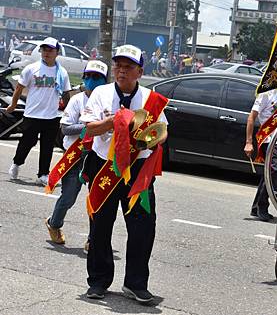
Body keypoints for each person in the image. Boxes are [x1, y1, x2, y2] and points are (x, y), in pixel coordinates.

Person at [80, 44, 168, 303]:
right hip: (104, 167)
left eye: (128, 67)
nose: (121, 71)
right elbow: (90, 129)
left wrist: (147, 139)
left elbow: (162, 132)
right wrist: (116, 121)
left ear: (140, 71)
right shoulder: (101, 93)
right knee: (100, 226)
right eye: (118, 66)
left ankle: (136, 284)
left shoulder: (151, 100)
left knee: (143, 228)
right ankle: (98, 281)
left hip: (138, 170)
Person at [44, 60, 108, 246]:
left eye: (96, 77)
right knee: (69, 197)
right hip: (76, 155)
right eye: (88, 76)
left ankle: (93, 239)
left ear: (104, 80)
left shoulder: (109, 100)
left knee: (98, 198)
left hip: (99, 156)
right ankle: (54, 223)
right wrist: (88, 128)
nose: (91, 80)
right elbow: (65, 128)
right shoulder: (77, 100)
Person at [7, 37, 70, 185]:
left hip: (52, 116)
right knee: (27, 142)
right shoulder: (32, 68)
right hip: (32, 114)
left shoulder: (62, 72)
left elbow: (66, 93)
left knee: (47, 146)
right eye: (44, 49)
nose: (46, 53)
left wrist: (67, 111)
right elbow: (19, 88)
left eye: (50, 50)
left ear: (57, 53)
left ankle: (43, 174)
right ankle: (17, 163)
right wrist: (14, 104)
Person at [244, 88, 277, 222]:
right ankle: (262, 206)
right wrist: (249, 142)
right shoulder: (267, 93)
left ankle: (256, 207)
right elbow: (252, 117)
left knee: (274, 173)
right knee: (275, 170)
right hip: (270, 136)